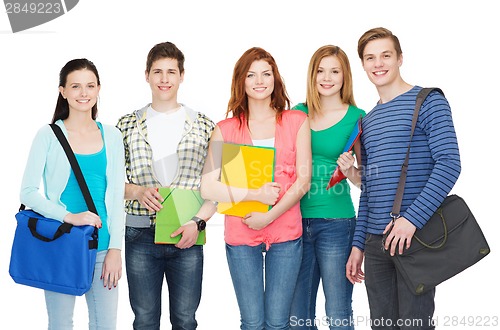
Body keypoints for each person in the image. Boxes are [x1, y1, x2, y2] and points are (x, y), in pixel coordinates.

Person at [346, 27, 461, 329]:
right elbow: (368, 189)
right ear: (363, 64)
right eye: (370, 58)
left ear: (399, 58)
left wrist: (411, 220)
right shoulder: (367, 121)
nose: (378, 63)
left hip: (416, 237)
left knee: (414, 325)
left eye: (385, 55)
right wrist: (359, 244)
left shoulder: (428, 101)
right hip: (375, 244)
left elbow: (449, 164)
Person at [201, 47, 312, 330]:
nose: (259, 81)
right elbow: (208, 187)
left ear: (275, 78)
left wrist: (269, 215)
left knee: (277, 322)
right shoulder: (224, 129)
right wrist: (255, 196)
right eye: (251, 75)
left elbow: (303, 181)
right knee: (252, 322)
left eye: (266, 73)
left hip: (285, 230)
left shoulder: (296, 121)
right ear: (241, 81)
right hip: (240, 232)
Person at [116, 41, 216, 330]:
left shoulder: (206, 126)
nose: (164, 79)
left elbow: (219, 186)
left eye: (171, 72)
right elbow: (108, 183)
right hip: (140, 235)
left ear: (182, 76)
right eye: (157, 71)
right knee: (145, 320)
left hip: (187, 234)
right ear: (146, 75)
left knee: (185, 321)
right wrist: (136, 191)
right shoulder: (125, 125)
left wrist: (197, 223)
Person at [20, 58, 125, 329]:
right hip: (62, 243)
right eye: (76, 86)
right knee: (60, 324)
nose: (84, 93)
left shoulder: (112, 135)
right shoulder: (48, 135)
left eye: (90, 86)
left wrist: (115, 248)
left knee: (105, 325)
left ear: (99, 89)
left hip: (102, 247)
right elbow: (28, 192)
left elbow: (116, 196)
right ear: (62, 91)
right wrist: (70, 216)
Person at [290, 45, 365, 330]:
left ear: (345, 76)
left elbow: (364, 181)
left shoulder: (357, 117)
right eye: (320, 71)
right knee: (298, 317)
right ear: (312, 75)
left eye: (334, 71)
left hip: (337, 223)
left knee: (338, 313)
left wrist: (350, 170)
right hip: (295, 221)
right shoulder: (297, 113)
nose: (327, 77)